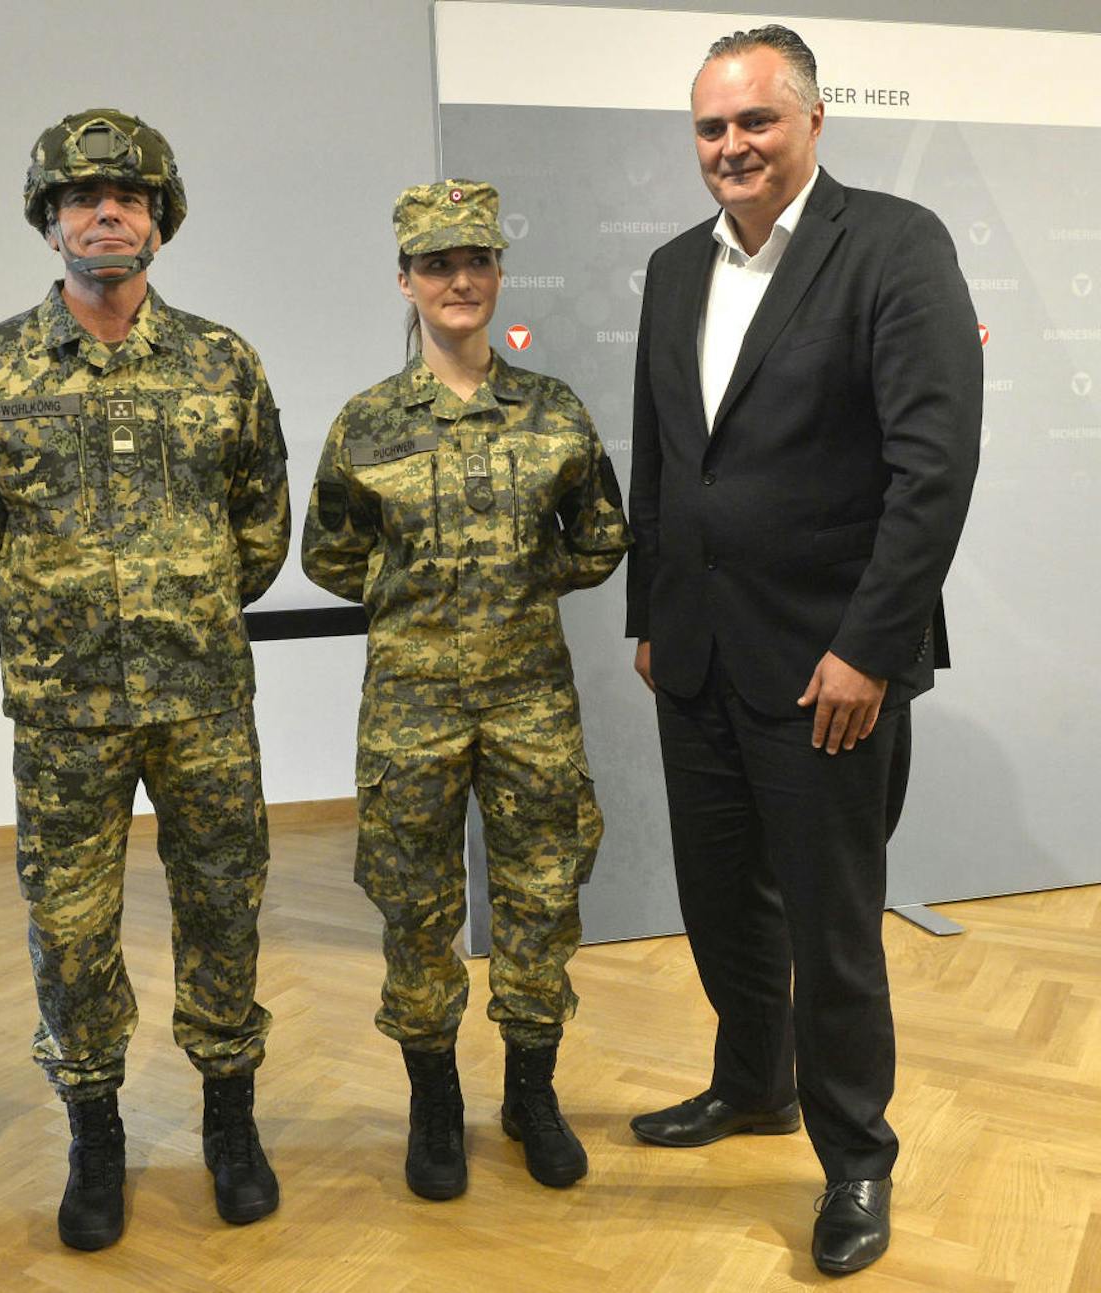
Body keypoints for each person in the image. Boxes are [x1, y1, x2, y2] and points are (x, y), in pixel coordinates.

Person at [625, 25, 981, 1275]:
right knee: (720, 905)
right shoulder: (674, 270)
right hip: (699, 658)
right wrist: (647, 615)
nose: (730, 147)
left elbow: (930, 470)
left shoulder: (892, 245)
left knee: (830, 929)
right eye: (710, 128)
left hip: (831, 668)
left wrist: (869, 651)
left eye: (754, 122)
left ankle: (856, 1164)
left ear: (811, 122)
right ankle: (749, 1086)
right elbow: (664, 458)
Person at [0, 108, 290, 1251]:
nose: (105, 213)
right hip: (64, 709)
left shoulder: (222, 361)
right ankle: (95, 1134)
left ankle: (229, 1124)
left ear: (158, 221)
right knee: (71, 930)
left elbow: (259, 529)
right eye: (82, 198)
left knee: (222, 910)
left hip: (200, 701)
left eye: (128, 198)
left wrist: (176, 602)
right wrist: (66, 610)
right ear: (49, 224)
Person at [302, 181, 630, 1201]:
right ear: (404, 280)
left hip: (530, 696)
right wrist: (422, 608)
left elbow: (600, 537)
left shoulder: (550, 411)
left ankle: (529, 1093)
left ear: (495, 274)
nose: (457, 280)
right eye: (436, 264)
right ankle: (432, 1099)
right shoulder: (365, 423)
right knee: (415, 904)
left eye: (474, 261)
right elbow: (327, 552)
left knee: (539, 897)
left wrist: (511, 592)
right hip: (410, 706)